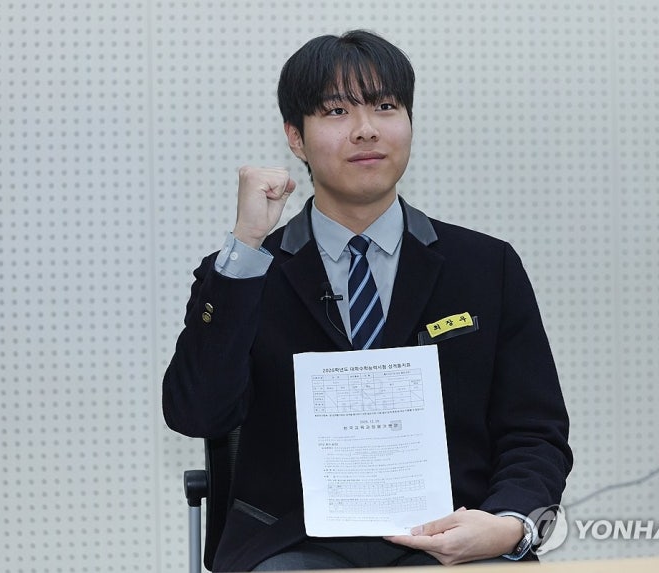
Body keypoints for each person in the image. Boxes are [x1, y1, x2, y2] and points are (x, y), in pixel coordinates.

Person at [163, 29, 572, 571]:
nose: (365, 129)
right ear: (295, 137)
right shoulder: (248, 272)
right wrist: (246, 246)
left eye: (385, 107)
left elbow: (535, 431)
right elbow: (197, 412)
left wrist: (509, 522)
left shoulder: (485, 266)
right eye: (336, 111)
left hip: (455, 532)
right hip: (295, 543)